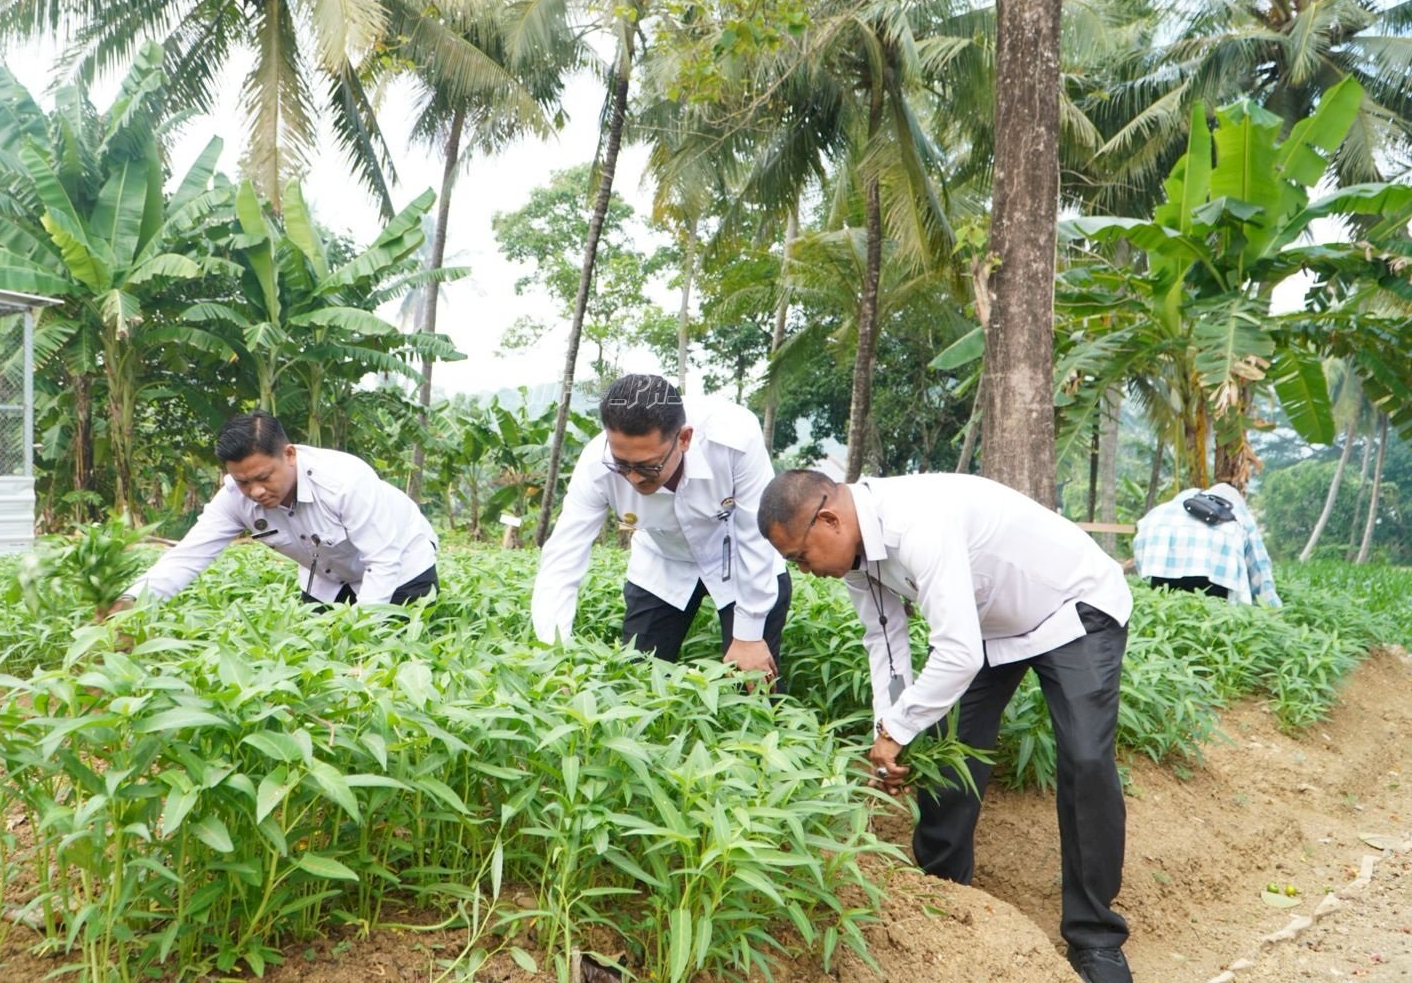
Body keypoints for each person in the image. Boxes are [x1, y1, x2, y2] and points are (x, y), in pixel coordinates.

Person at [756, 469, 1135, 983]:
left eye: (800, 556)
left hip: (1071, 606)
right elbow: (884, 640)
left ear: (829, 520)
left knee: (1086, 758)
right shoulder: (855, 554)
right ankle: (944, 893)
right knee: (950, 748)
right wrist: (890, 729)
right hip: (988, 626)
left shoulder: (917, 523)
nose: (804, 570)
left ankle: (1096, 939)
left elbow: (957, 653)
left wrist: (898, 729)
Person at [531, 373, 790, 681]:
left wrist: (748, 634)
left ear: (684, 438)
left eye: (648, 466)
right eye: (621, 464)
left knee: (751, 683)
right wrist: (554, 657)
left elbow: (756, 533)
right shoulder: (595, 467)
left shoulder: (735, 437)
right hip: (662, 563)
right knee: (638, 680)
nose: (633, 478)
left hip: (740, 560)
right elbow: (563, 558)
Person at [106, 411, 438, 615]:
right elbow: (188, 557)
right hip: (327, 578)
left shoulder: (345, 481)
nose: (255, 492)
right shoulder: (234, 498)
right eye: (243, 481)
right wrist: (130, 601)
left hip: (401, 566)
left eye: (264, 477)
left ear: (289, 454)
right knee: (318, 663)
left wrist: (362, 634)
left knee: (386, 657)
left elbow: (382, 561)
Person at [1132, 482, 1281, 605]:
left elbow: (1141, 546)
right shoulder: (1237, 511)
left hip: (1162, 574)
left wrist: (1145, 574)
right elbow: (1259, 568)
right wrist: (1272, 609)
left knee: (1167, 612)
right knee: (1210, 618)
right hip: (1213, 577)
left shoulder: (1166, 509)